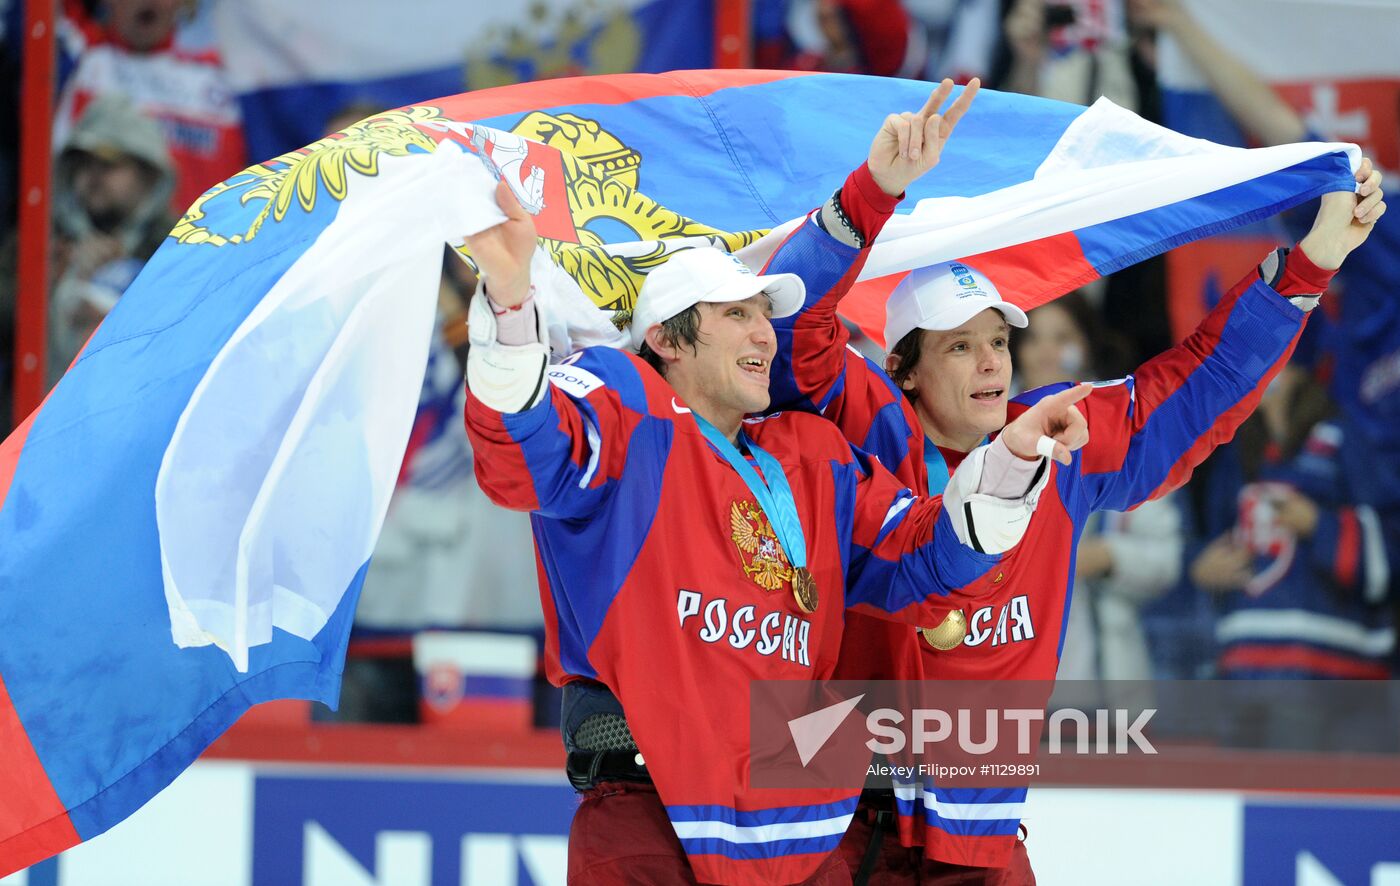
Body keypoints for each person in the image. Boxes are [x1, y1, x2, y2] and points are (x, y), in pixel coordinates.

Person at [766, 79, 1386, 882]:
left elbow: (1198, 385)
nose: (991, 361)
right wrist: (873, 192)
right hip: (840, 826)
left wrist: (1307, 267)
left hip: (980, 843)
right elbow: (792, 328)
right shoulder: (863, 429)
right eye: (958, 347)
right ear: (904, 372)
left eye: (998, 340)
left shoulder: (1056, 436)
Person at [460, 162, 1096, 882]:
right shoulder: (625, 405)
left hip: (792, 835)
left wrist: (1009, 460)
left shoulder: (812, 456)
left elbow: (926, 566)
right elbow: (521, 460)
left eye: (764, 312)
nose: (765, 331)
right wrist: (513, 311)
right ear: (668, 340)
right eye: (736, 314)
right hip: (648, 815)